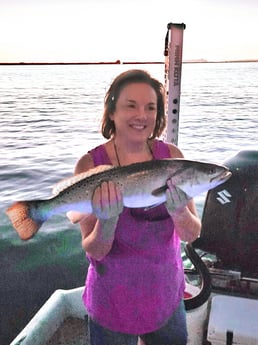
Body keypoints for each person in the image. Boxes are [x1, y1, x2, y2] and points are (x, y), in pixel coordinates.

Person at [67, 69, 201, 345]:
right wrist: (107, 220)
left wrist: (178, 211)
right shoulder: (90, 166)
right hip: (112, 299)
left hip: (166, 293)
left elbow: (192, 233)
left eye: (150, 107)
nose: (142, 115)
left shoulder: (173, 158)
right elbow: (94, 249)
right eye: (131, 105)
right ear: (112, 111)